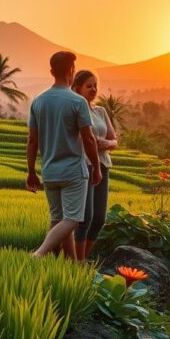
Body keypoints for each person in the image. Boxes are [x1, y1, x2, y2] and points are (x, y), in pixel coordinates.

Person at [26, 51, 102, 259]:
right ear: (72, 70)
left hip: (49, 171)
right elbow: (88, 139)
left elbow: (33, 140)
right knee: (72, 220)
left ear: (52, 71)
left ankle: (71, 266)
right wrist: (96, 167)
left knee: (58, 220)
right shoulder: (77, 102)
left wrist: (31, 171)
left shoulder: (38, 102)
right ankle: (39, 254)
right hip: (73, 171)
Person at [71, 70, 118, 261]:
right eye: (88, 86)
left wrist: (105, 144)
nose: (93, 89)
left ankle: (83, 258)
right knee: (85, 217)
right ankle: (77, 262)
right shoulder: (74, 110)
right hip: (84, 165)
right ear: (77, 88)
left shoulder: (101, 111)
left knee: (99, 218)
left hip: (102, 164)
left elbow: (114, 139)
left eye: (95, 85)